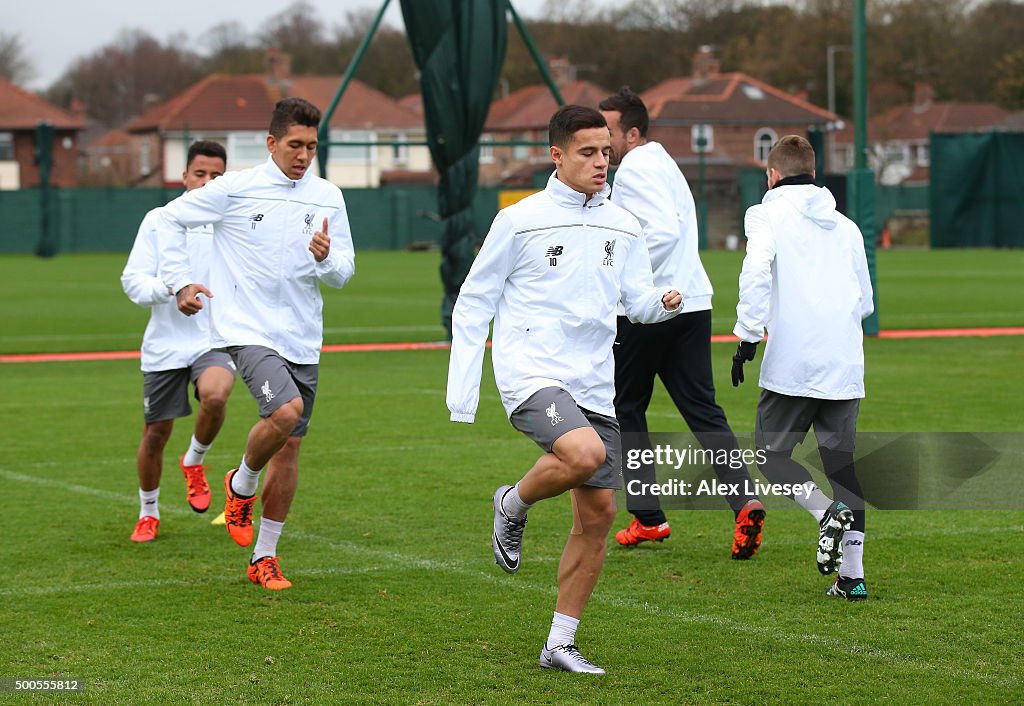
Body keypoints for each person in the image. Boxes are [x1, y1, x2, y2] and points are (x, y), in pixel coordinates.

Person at [447, 105, 682, 674]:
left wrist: (662, 304)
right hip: (531, 372)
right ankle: (513, 502)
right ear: (557, 156)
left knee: (599, 515)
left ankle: (560, 642)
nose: (602, 162)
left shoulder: (624, 224)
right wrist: (463, 390)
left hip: (594, 380)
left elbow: (637, 300)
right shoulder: (519, 220)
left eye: (606, 152)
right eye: (587, 152)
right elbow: (475, 300)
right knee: (585, 453)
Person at [157, 97, 356, 590]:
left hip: (303, 337)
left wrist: (327, 258)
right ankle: (240, 482)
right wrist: (181, 281)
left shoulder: (328, 196)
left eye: (312, 146)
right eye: (295, 145)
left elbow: (344, 273)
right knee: (284, 412)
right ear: (271, 143)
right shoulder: (235, 189)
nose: (304, 155)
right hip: (246, 330)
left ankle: (263, 558)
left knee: (288, 450)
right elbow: (168, 219)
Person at [598, 87, 765, 559]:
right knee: (703, 410)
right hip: (693, 302)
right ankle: (743, 499)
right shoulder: (663, 160)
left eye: (607, 131)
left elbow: (663, 233)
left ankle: (648, 517)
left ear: (631, 132)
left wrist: (624, 278)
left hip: (650, 307)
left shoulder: (633, 168)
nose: (601, 142)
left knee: (626, 408)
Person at [732, 134, 874, 601]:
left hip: (793, 361)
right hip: (843, 362)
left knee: (772, 456)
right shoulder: (849, 226)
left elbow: (755, 271)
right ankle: (852, 578)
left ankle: (822, 513)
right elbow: (866, 303)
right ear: (814, 174)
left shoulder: (765, 212)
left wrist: (748, 337)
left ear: (771, 176)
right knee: (842, 467)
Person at [121, 140, 236, 543]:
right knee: (155, 434)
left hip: (213, 339)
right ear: (184, 176)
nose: (207, 182)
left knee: (217, 395)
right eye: (200, 174)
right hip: (166, 344)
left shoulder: (230, 220)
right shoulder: (159, 220)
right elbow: (133, 283)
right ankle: (148, 511)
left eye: (217, 176)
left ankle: (194, 461)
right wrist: (175, 288)